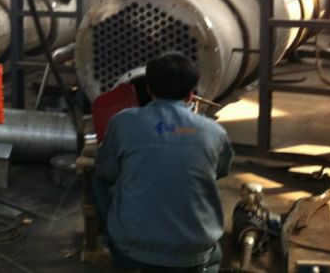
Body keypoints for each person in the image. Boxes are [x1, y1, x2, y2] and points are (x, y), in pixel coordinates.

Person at [93, 52, 233, 272]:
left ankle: (114, 243)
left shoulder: (123, 122)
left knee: (98, 181)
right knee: (215, 257)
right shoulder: (214, 132)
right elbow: (220, 171)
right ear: (191, 95)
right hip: (194, 256)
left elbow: (107, 171)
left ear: (149, 89)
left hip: (134, 253)